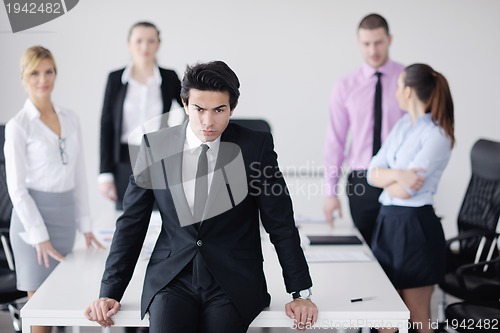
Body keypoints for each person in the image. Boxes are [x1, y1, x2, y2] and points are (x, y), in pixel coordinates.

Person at [85, 61, 318, 333]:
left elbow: (280, 223)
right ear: (185, 104)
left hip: (233, 279)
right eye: (199, 109)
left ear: (233, 107)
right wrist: (110, 290)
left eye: (219, 110)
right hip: (172, 279)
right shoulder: (154, 147)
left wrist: (300, 293)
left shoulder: (256, 147)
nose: (208, 121)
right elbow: (131, 223)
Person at [4, 46, 103, 333]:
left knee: (65, 308)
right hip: (32, 228)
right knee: (41, 319)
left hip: (64, 222)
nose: (42, 79)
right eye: (34, 73)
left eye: (48, 71)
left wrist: (85, 226)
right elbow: (16, 189)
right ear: (23, 78)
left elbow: (79, 176)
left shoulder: (70, 118)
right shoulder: (18, 126)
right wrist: (40, 236)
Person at [367, 63, 455, 333]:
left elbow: (406, 191)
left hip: (415, 228)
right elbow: (372, 173)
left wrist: (389, 179)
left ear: (407, 91)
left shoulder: (437, 135)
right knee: (385, 318)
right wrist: (398, 175)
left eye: (398, 87)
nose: (395, 92)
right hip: (388, 224)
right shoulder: (404, 124)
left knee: (418, 318)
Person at [323, 13, 405, 246]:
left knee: (398, 251)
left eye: (378, 42)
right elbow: (335, 141)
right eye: (366, 44)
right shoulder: (345, 86)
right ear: (359, 43)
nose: (372, 50)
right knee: (368, 251)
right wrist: (330, 192)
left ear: (389, 39)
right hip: (361, 180)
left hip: (397, 177)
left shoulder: (407, 80)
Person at [99, 21, 184, 210]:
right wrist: (105, 174)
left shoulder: (169, 77)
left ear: (158, 44)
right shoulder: (116, 79)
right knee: (128, 217)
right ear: (129, 44)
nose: (144, 46)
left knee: (161, 215)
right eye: (139, 41)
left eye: (150, 41)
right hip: (124, 159)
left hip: (159, 158)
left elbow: (190, 108)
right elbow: (107, 125)